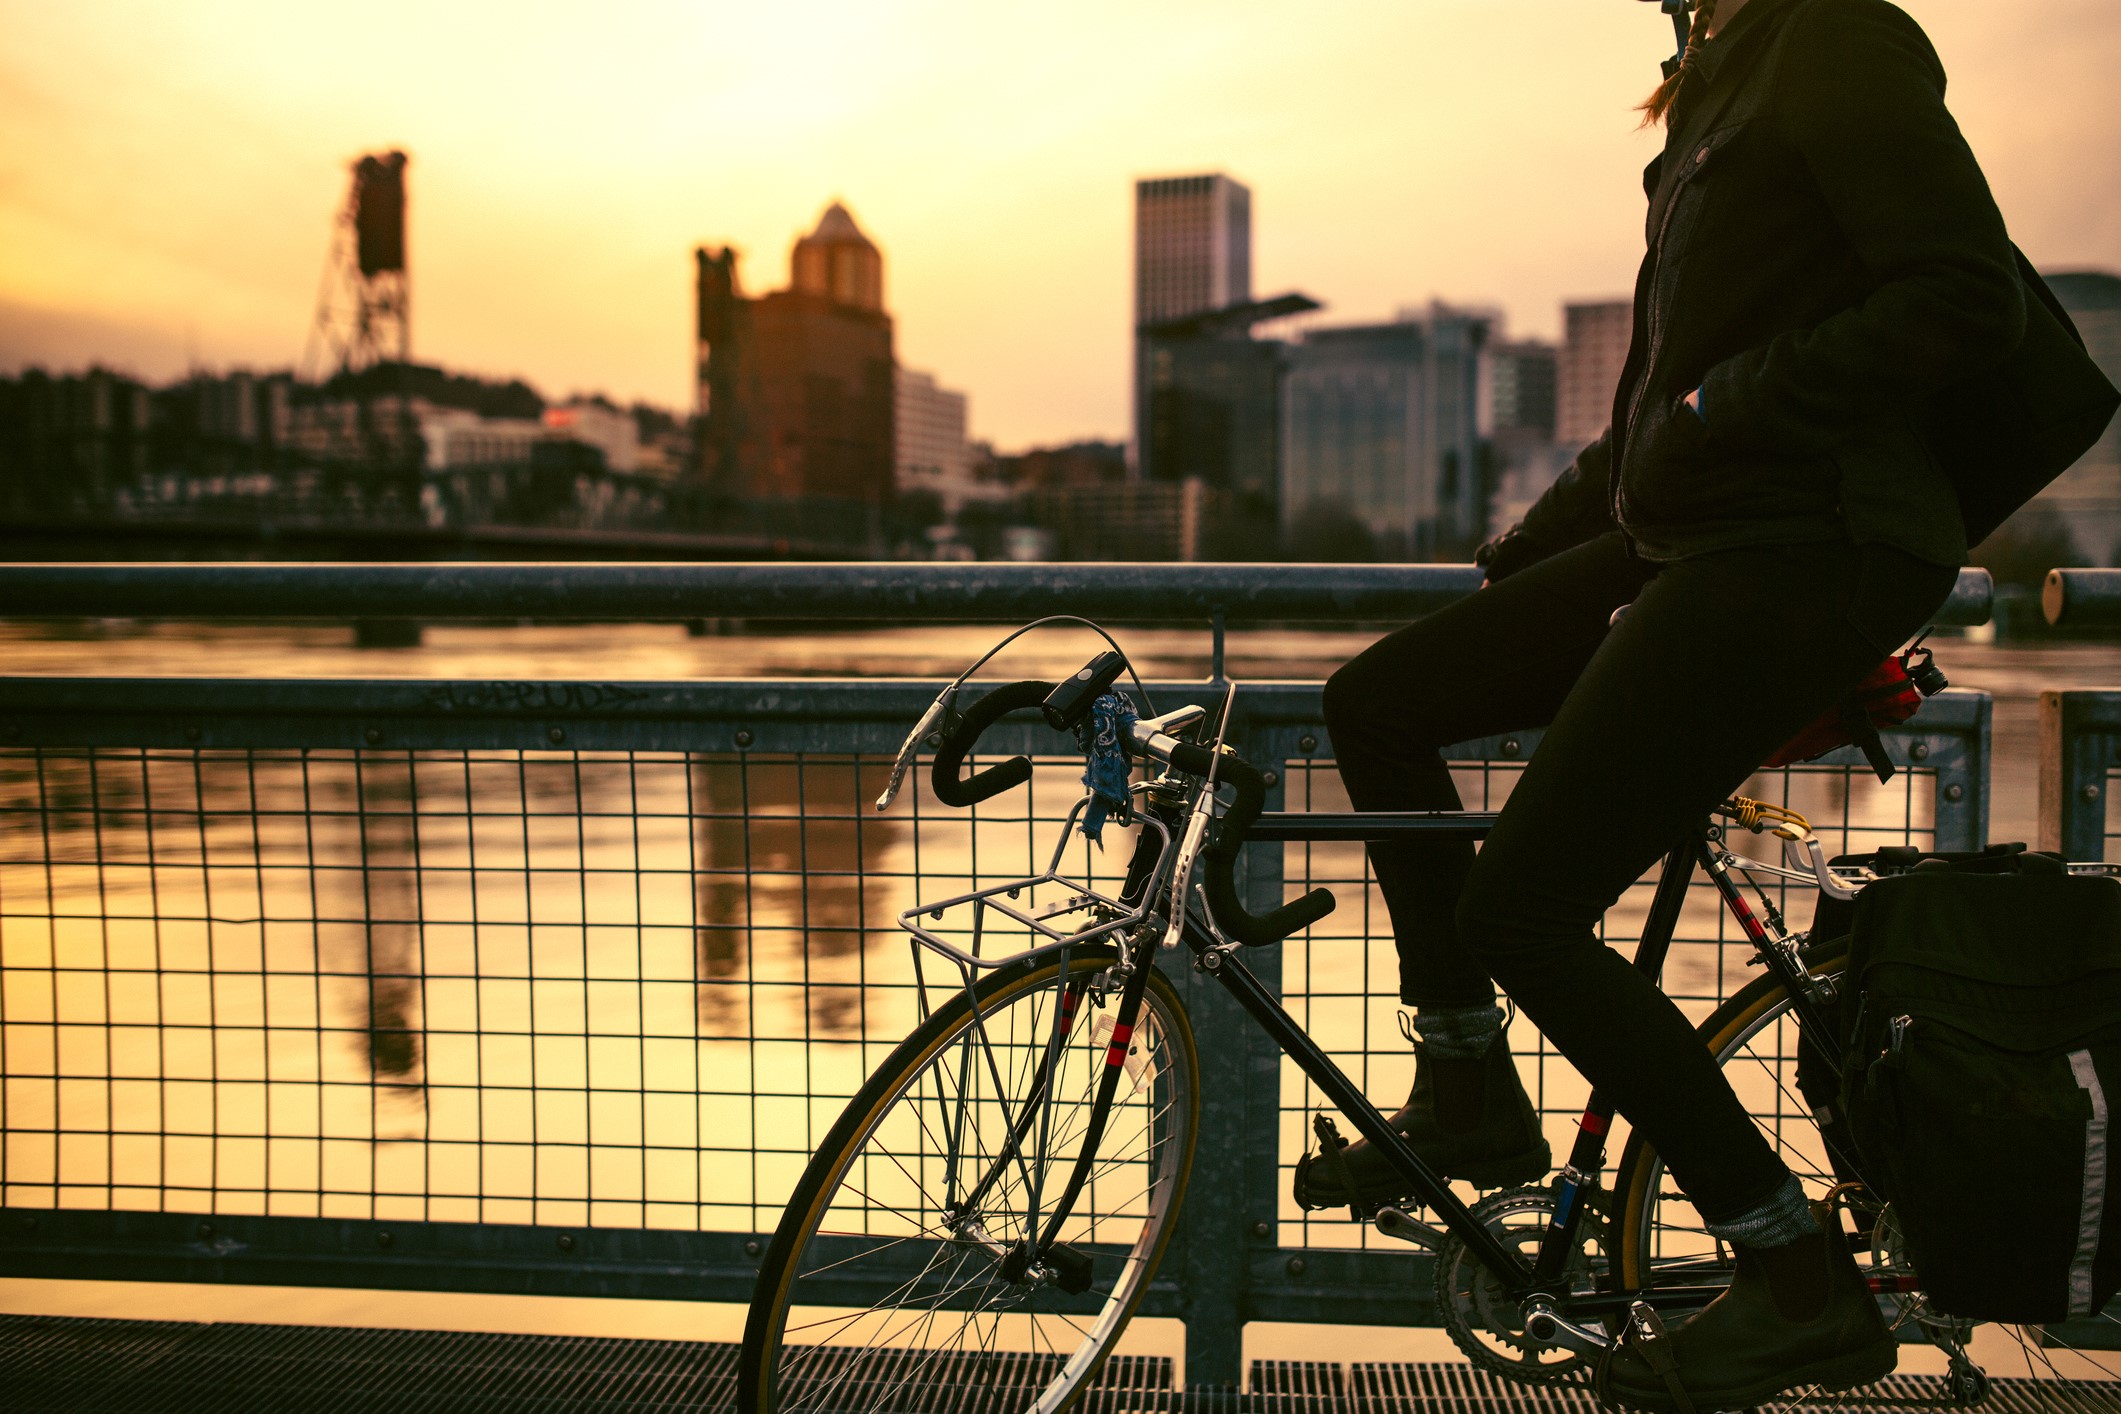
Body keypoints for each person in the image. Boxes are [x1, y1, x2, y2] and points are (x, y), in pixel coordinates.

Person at [1300, 0, 2038, 1406]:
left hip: (1813, 532)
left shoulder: (1834, 40)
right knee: (1377, 702)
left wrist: (1724, 412)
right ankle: (1468, 1090)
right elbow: (1650, 412)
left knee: (1518, 904)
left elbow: (1961, 295)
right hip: (1705, 526)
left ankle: (1793, 1275)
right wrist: (1521, 565)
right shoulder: (1717, 81)